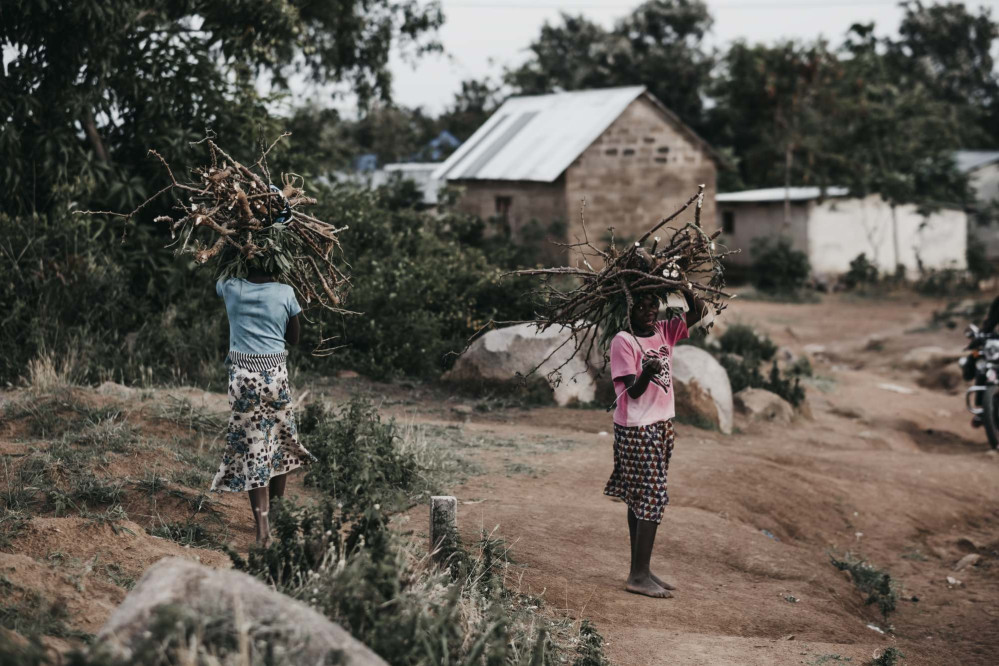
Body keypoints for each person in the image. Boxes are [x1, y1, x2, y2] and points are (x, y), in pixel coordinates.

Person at [604, 288, 708, 598]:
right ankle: (637, 576)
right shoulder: (623, 341)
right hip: (636, 428)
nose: (649, 312)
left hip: (661, 424)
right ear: (628, 311)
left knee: (642, 497)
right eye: (641, 307)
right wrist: (646, 373)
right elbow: (631, 393)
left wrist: (682, 284)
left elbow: (700, 312)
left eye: (654, 305)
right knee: (651, 496)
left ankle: (642, 569)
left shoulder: (664, 330)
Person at [210, 266, 316, 547]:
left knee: (254, 446)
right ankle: (277, 517)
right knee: (280, 442)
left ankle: (264, 529)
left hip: (243, 381)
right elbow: (293, 338)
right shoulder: (286, 292)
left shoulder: (231, 287)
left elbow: (220, 276)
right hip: (275, 380)